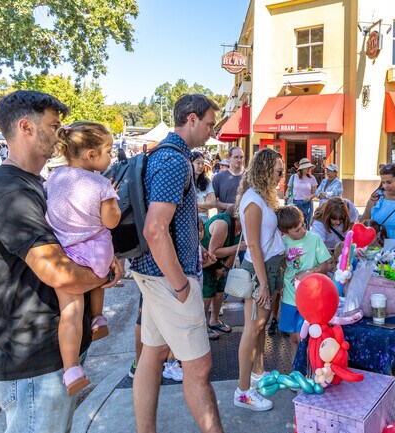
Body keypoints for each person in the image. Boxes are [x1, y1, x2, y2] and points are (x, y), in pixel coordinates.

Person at [0, 90, 122, 433]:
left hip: (43, 359)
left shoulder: (38, 183)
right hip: (35, 364)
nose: (60, 134)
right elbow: (59, 273)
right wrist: (100, 273)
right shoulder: (10, 192)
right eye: (53, 126)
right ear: (26, 127)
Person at [129, 94, 223, 433]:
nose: (212, 132)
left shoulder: (164, 155)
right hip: (169, 280)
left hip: (155, 274)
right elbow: (155, 229)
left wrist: (195, 252)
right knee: (198, 368)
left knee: (151, 357)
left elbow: (166, 225)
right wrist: (181, 283)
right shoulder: (173, 161)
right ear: (193, 119)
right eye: (210, 123)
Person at [45, 122, 121, 395]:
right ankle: (99, 318)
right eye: (108, 151)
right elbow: (110, 222)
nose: (111, 157)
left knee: (70, 312)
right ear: (91, 155)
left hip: (66, 252)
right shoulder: (101, 183)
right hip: (98, 252)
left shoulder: (53, 178)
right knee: (98, 280)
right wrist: (113, 200)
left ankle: (72, 369)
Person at [233, 148, 285, 411]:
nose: (281, 175)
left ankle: (258, 374)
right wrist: (263, 283)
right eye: (278, 170)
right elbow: (253, 245)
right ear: (266, 170)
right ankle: (243, 391)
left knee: (260, 327)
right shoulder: (254, 200)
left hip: (267, 268)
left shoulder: (261, 197)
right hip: (259, 270)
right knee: (252, 329)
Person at [276, 205, 332, 356]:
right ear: (286, 232)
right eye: (297, 230)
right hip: (289, 297)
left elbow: (325, 265)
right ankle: (297, 368)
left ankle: (308, 366)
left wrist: (309, 272)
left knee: (304, 336)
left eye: (303, 225)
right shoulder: (282, 242)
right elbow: (280, 265)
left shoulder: (314, 239)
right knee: (293, 337)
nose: (302, 230)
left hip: (310, 298)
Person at [201, 206, 243, 340]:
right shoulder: (222, 224)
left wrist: (224, 269)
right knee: (207, 292)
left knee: (220, 289)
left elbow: (234, 252)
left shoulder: (242, 228)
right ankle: (201, 327)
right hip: (206, 261)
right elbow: (213, 252)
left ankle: (214, 320)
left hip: (219, 263)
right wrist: (240, 247)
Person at [286, 158, 318, 227]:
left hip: (307, 203)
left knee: (306, 223)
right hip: (295, 202)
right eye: (307, 167)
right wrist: (286, 196)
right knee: (295, 223)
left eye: (309, 167)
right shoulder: (293, 177)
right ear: (301, 168)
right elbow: (288, 189)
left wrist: (310, 197)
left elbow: (315, 193)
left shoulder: (312, 178)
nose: (308, 169)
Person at [213, 146, 244, 212]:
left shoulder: (248, 177)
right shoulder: (218, 177)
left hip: (244, 218)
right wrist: (227, 206)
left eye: (241, 157)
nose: (239, 160)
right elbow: (212, 201)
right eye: (236, 157)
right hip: (224, 218)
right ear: (229, 158)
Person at [191, 151, 216, 223]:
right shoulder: (186, 182)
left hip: (204, 219)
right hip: (190, 219)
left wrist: (194, 205)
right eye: (198, 163)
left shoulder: (207, 181)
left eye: (202, 163)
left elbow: (213, 203)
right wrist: (204, 205)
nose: (201, 166)